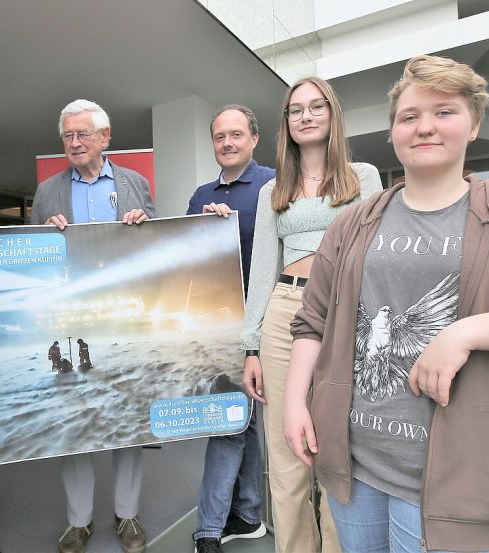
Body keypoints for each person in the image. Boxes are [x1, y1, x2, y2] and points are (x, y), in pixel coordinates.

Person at [284, 55, 489, 553]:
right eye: (409, 116)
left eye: (444, 112)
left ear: (474, 124)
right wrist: (294, 402)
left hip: (456, 473)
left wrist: (463, 333)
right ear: (394, 130)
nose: (425, 128)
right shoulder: (354, 222)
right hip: (354, 462)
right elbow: (313, 320)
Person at [240, 77, 383, 553]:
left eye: (315, 106)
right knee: (285, 450)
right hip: (285, 311)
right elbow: (263, 268)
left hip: (346, 314)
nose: (305, 115)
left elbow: (375, 256)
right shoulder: (273, 189)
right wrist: (251, 346)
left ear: (332, 113)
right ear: (286, 123)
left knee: (337, 440)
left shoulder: (362, 177)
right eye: (295, 109)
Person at [32, 99, 154, 553]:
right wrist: (44, 233)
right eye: (68, 135)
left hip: (124, 314)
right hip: (71, 316)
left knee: (128, 415)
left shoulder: (135, 184)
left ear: (105, 137)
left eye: (84, 134)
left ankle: (127, 516)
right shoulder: (47, 192)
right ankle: (78, 521)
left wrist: (145, 226)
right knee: (74, 418)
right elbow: (35, 258)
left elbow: (156, 248)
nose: (75, 142)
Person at [186, 105, 274, 553]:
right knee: (242, 422)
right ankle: (248, 513)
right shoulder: (200, 194)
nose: (227, 143)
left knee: (233, 424)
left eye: (236, 134)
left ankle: (208, 528)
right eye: (219, 136)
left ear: (254, 138)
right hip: (217, 324)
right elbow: (189, 257)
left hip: (264, 323)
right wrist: (204, 228)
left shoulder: (275, 184)